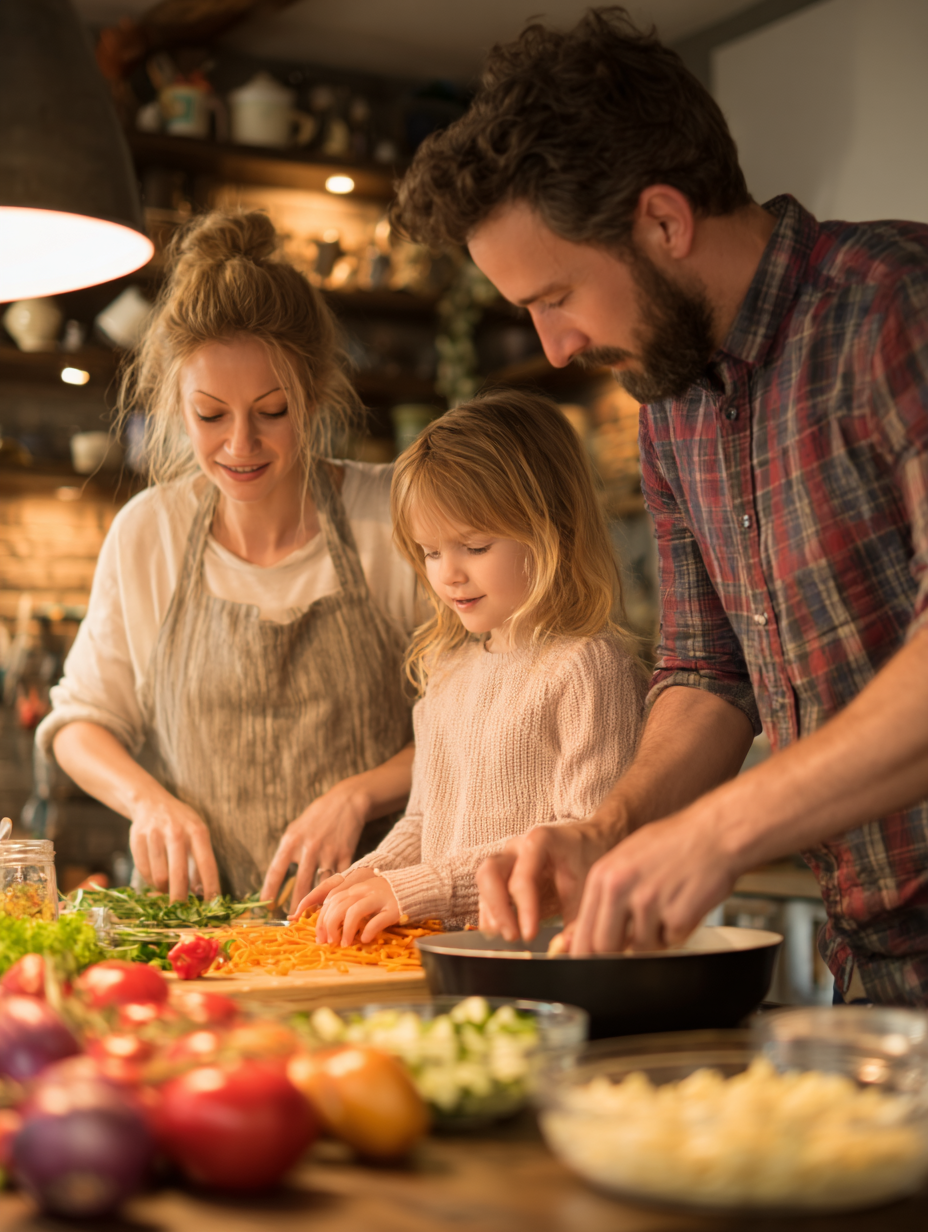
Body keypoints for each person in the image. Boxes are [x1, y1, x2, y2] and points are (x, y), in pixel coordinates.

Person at [390, 7, 928, 1005]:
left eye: (556, 296)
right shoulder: (674, 403)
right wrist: (605, 828)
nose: (554, 349)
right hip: (874, 957)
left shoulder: (897, 307)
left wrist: (717, 830)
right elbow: (707, 670)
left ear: (664, 222)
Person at [36, 211, 419, 907]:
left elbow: (473, 721)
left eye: (273, 411)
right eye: (210, 415)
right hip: (193, 929)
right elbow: (78, 724)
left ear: (314, 394)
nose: (241, 445)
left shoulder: (391, 518)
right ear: (175, 405)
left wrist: (362, 794)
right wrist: (148, 801)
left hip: (369, 926)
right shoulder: (148, 533)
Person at [290, 390, 646, 944]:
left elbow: (584, 837)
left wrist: (412, 889)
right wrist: (369, 874)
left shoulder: (587, 667)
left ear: (553, 527)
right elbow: (423, 822)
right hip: (456, 952)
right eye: (431, 552)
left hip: (546, 957)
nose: (448, 574)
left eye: (474, 546)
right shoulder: (447, 669)